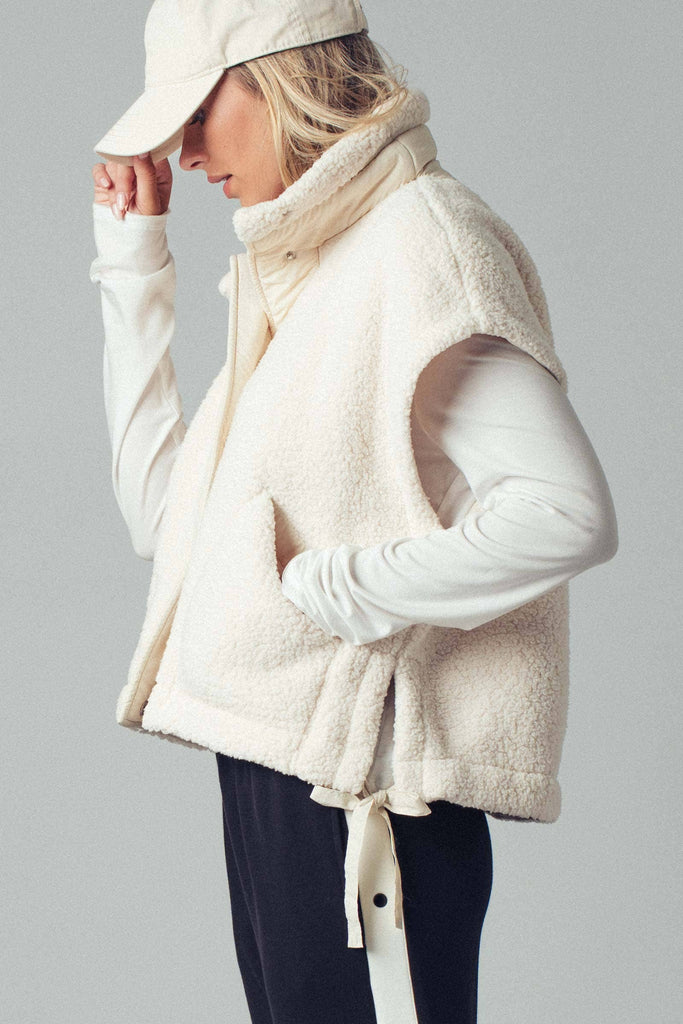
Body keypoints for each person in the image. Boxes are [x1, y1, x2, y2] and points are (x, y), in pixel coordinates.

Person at [88, 2, 619, 1021]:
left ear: (276, 78)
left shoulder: (425, 245)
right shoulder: (317, 270)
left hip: (364, 805)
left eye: (195, 115)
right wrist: (132, 262)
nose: (186, 154)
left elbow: (564, 513)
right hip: (282, 777)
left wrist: (329, 590)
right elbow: (167, 522)